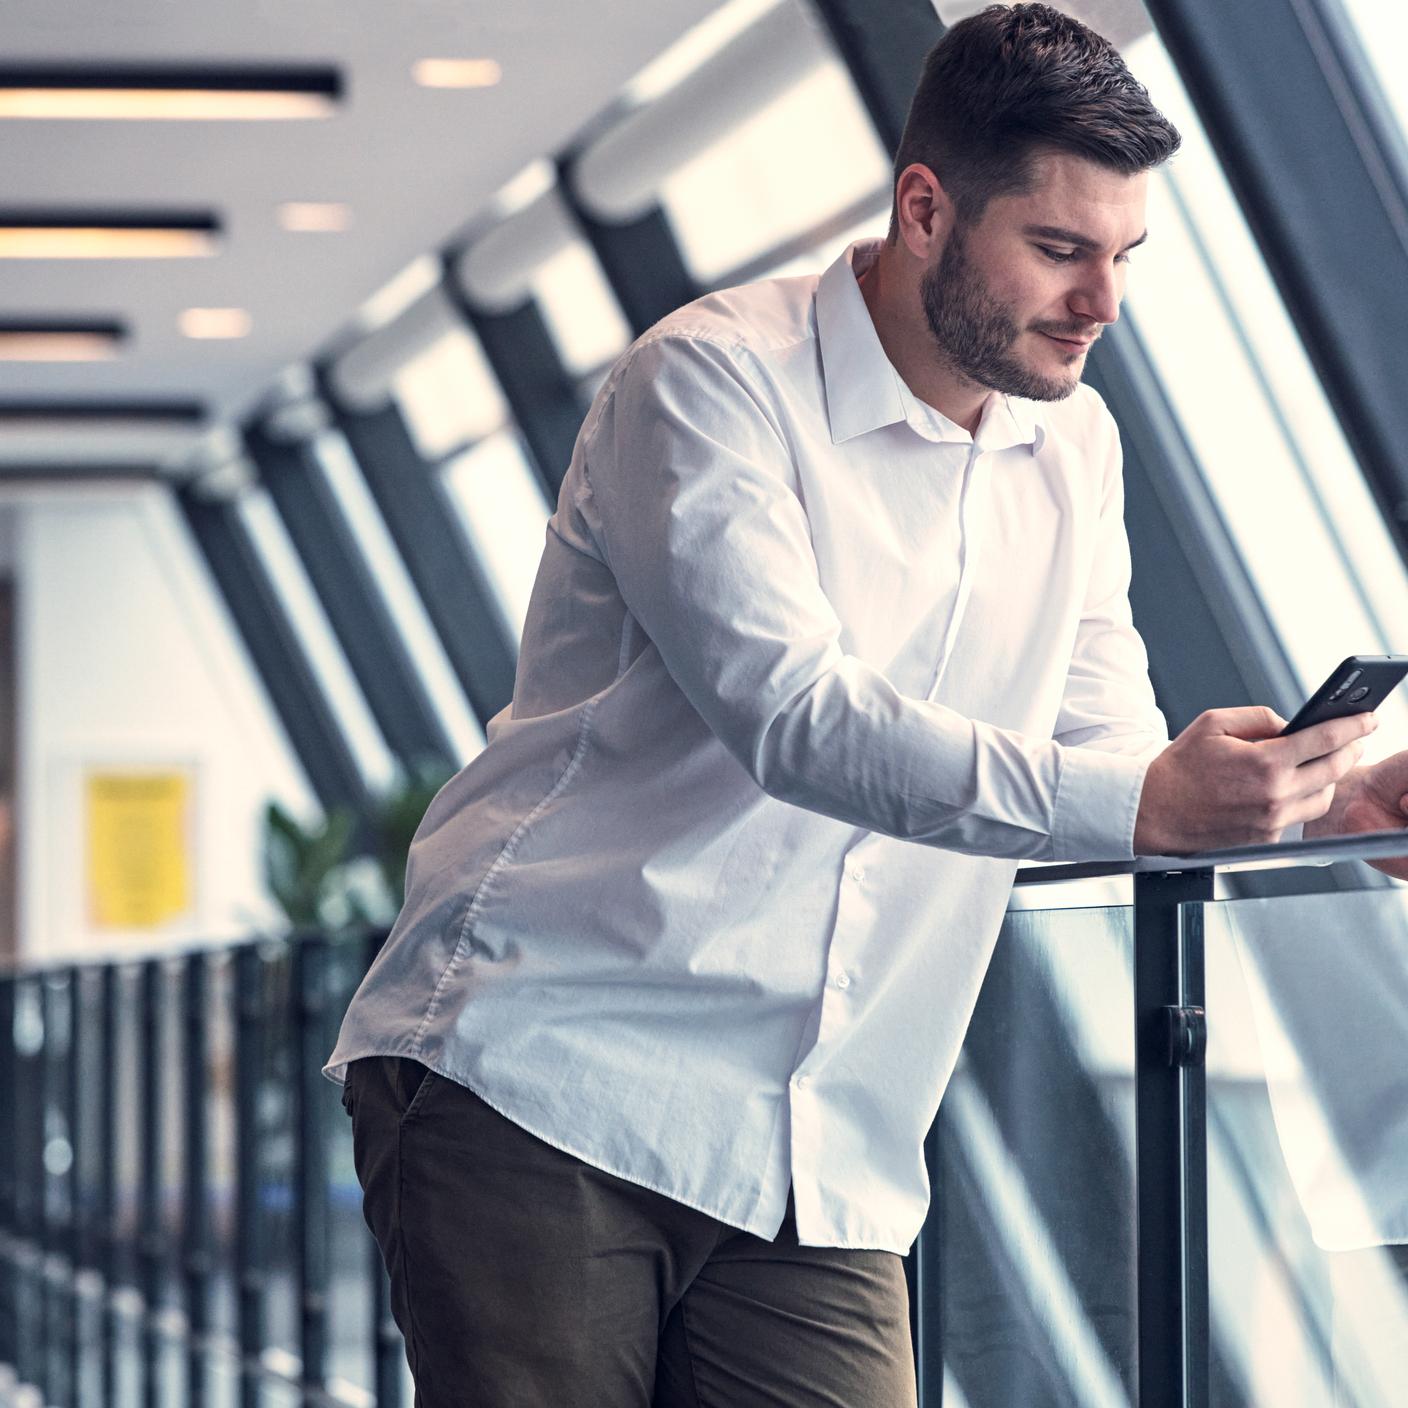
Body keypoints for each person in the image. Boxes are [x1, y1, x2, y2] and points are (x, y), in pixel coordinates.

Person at [326, 6, 1408, 1405]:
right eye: (1060, 249)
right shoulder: (710, 383)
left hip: (822, 1141)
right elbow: (794, 718)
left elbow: (1104, 757)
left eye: (1125, 255)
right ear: (925, 209)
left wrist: (1311, 809)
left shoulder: (1072, 446)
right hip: (552, 1075)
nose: (1102, 303)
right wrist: (1146, 798)